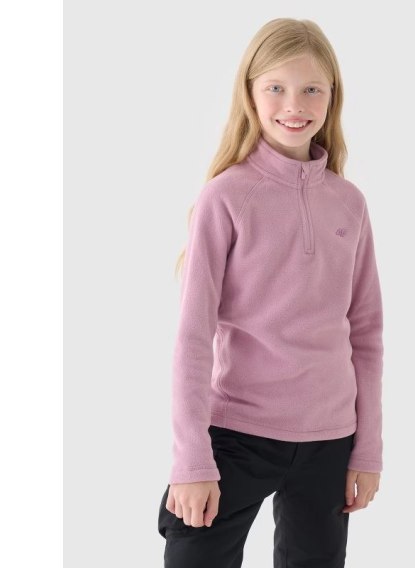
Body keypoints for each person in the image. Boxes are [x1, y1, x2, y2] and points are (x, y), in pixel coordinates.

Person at [157, 17, 384, 568]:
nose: (294, 105)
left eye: (312, 89)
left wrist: (368, 449)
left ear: (333, 96)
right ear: (250, 94)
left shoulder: (349, 202)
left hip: (330, 440)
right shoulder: (226, 197)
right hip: (237, 433)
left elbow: (366, 334)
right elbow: (193, 338)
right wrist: (192, 460)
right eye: (276, 87)